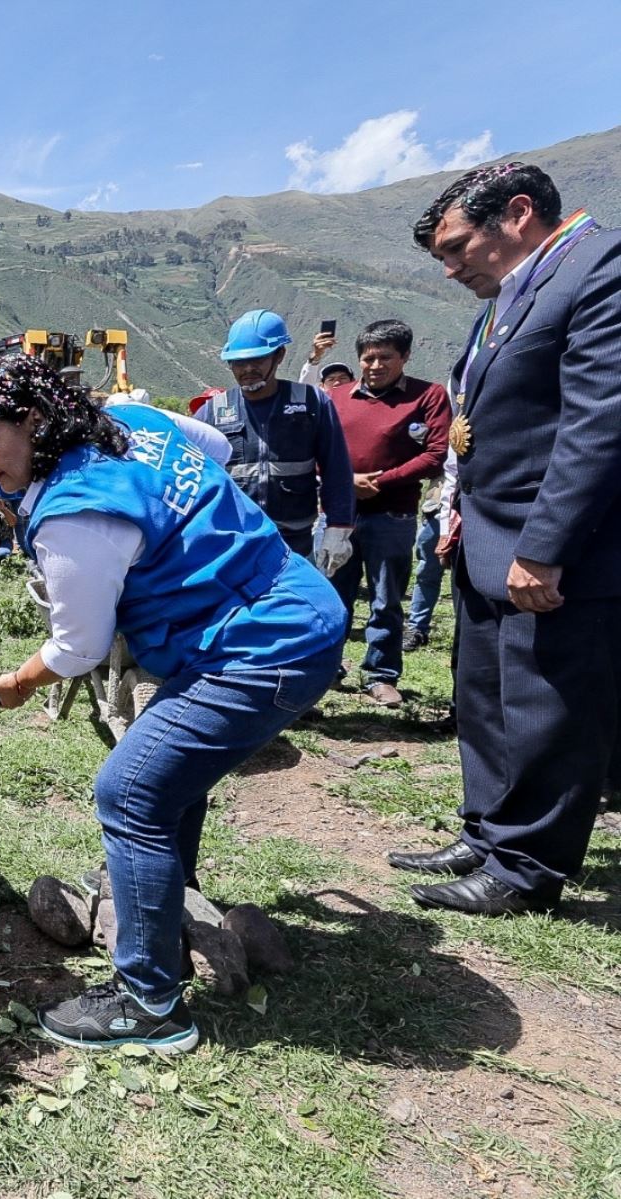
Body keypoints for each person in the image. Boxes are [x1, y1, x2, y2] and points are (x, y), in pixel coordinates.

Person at [0, 354, 345, 1051]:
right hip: (287, 608)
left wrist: (17, 682)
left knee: (128, 789)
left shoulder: (74, 511)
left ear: (35, 420)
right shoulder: (126, 420)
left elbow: (77, 646)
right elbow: (216, 449)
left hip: (262, 648)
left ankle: (149, 998)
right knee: (163, 777)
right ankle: (161, 897)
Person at [389, 163, 621, 916]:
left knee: (546, 706)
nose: (452, 268)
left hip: (551, 547)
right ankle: (488, 831)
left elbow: (595, 425)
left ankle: (527, 866)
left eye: (458, 248)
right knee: (484, 693)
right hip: (486, 538)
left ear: (518, 214)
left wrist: (544, 545)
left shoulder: (597, 272)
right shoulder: (514, 296)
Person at [323, 320, 451, 707]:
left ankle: (380, 674)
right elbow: (316, 449)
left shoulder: (428, 396)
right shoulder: (337, 397)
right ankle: (326, 668)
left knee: (386, 598)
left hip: (392, 515)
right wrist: (347, 481)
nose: (375, 365)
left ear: (405, 356)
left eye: (385, 357)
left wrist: (380, 481)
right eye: (368, 358)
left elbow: (436, 453)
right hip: (336, 517)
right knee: (330, 596)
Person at [201, 309, 356, 570]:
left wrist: (338, 528)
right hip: (235, 543)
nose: (248, 368)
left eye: (258, 359)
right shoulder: (213, 412)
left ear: (279, 355)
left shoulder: (311, 403)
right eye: (239, 362)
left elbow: (337, 469)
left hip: (294, 544)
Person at [403, 477, 448, 650]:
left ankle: (466, 633)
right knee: (426, 573)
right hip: (437, 508)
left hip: (473, 510)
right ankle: (417, 629)